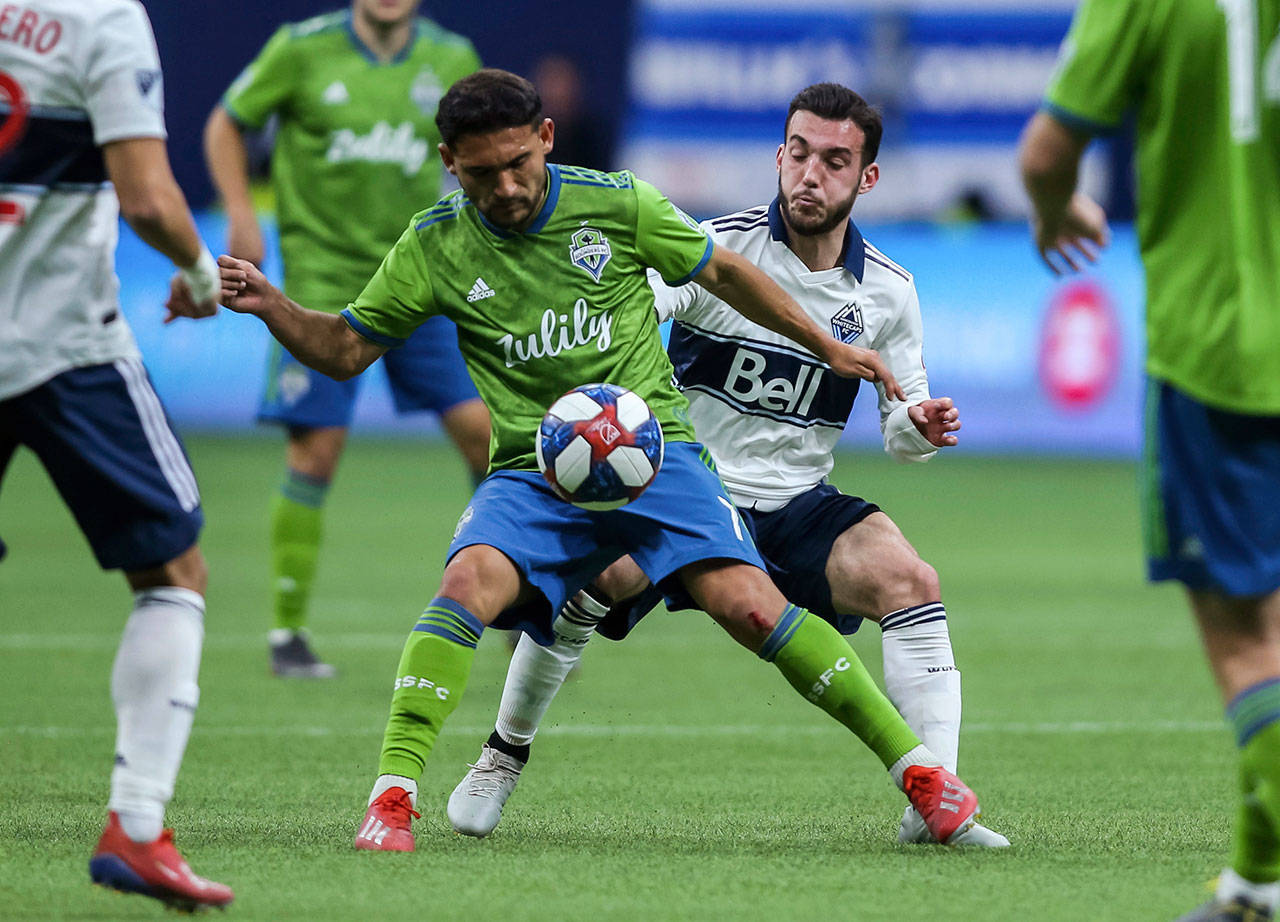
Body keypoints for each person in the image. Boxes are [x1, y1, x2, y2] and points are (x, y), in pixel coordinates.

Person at [203, 68, 997, 854]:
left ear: (546, 139)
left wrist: (840, 356)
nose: (507, 188)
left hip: (678, 465)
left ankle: (924, 776)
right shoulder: (435, 245)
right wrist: (273, 304)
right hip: (537, 467)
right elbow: (344, 348)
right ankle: (400, 793)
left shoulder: (619, 205)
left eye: (520, 165)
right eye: (483, 173)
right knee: (468, 584)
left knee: (757, 604)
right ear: (450, 162)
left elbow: (722, 281)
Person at [444, 82, 1008, 848]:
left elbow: (900, 427)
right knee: (596, 579)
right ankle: (502, 754)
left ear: (866, 179)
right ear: (779, 156)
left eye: (836, 161)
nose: (811, 174)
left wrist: (919, 422)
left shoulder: (889, 293)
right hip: (686, 486)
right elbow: (638, 302)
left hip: (795, 501)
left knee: (911, 581)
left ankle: (934, 799)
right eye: (799, 153)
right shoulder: (722, 249)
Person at [1019, 0, 1280, 917]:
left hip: (1227, 356)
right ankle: (1255, 884)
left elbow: (1048, 154)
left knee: (1252, 646)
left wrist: (1056, 214)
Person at [0, 0, 233, 910]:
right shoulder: (100, 18)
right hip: (61, 349)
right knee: (173, 568)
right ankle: (136, 829)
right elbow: (145, 196)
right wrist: (201, 270)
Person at [204, 0, 489, 678]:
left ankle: (512, 609)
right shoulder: (300, 49)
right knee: (316, 452)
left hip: (425, 279)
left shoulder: (452, 59)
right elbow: (225, 124)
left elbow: (490, 154)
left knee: (487, 436)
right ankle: (288, 635)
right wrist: (242, 214)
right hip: (322, 285)